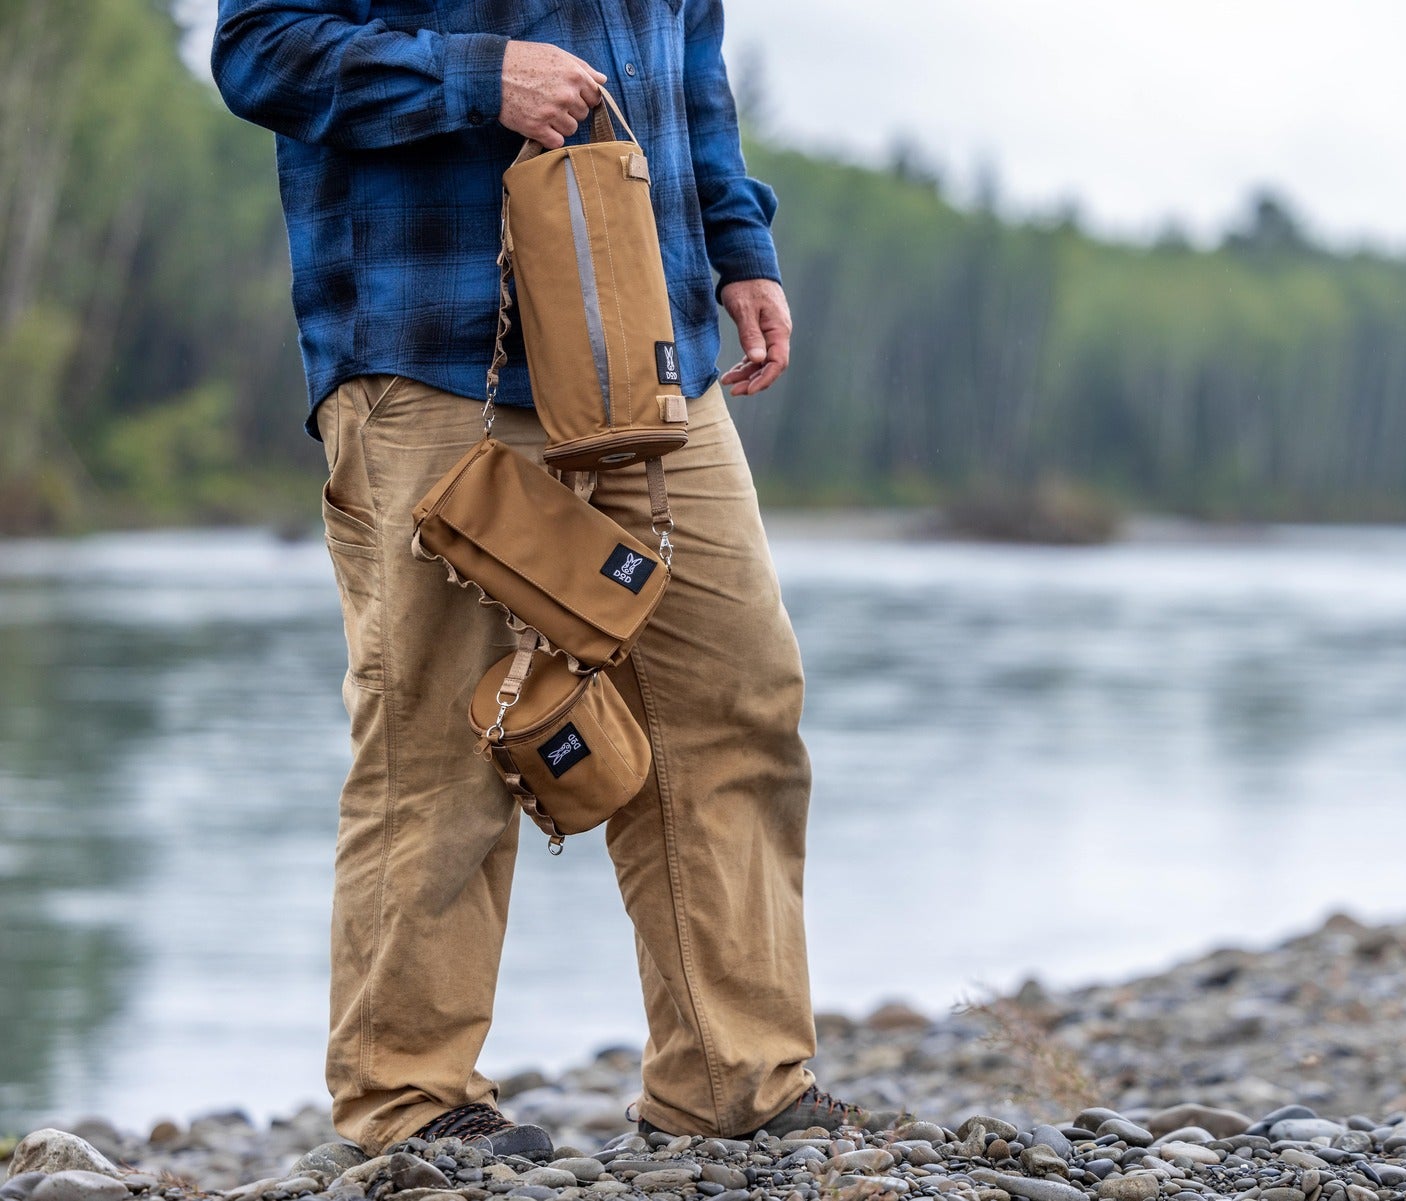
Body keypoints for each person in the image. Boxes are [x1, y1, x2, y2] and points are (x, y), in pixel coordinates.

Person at [212, 0, 895, 1156]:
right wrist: (479, 80)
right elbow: (262, 47)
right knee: (437, 732)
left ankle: (734, 1085)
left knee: (733, 696)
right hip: (432, 348)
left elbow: (690, 67)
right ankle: (409, 1107)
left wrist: (737, 246)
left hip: (656, 347)